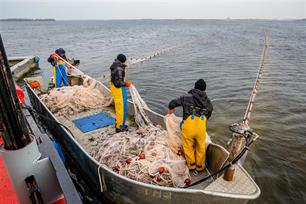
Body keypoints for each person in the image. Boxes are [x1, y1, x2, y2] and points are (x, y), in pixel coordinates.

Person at [167, 79, 213, 172]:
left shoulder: (186, 97)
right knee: (201, 147)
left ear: (195, 87)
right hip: (201, 129)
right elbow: (210, 111)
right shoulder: (208, 101)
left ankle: (191, 166)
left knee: (188, 146)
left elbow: (173, 102)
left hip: (188, 128)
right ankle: (200, 166)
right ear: (204, 89)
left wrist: (170, 108)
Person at [110, 54, 132, 133]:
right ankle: (119, 127)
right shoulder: (119, 69)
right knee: (121, 108)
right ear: (123, 61)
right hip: (118, 89)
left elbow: (116, 80)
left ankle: (119, 123)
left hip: (115, 88)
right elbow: (118, 83)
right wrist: (126, 84)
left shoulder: (116, 65)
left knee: (119, 107)